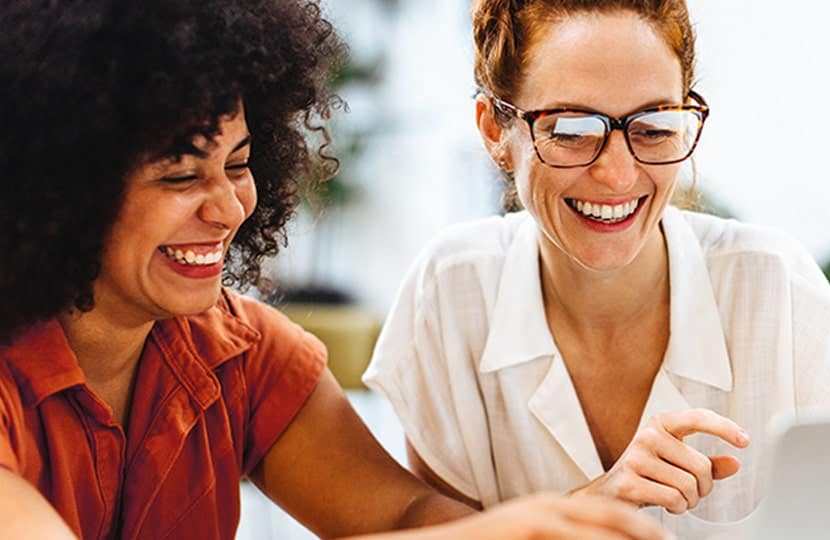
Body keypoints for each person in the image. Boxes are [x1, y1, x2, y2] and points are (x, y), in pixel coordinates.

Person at [0, 1, 668, 539]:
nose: (229, 204)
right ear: (63, 186)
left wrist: (558, 519)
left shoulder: (240, 354)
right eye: (181, 175)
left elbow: (397, 516)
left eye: (238, 164)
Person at [363, 0, 830, 537]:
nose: (618, 175)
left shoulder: (772, 284)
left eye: (655, 128)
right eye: (570, 130)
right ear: (494, 131)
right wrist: (595, 503)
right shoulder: (452, 291)